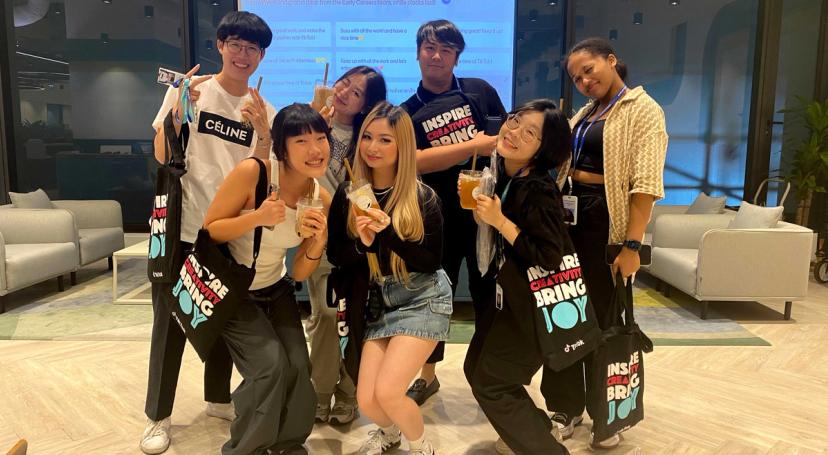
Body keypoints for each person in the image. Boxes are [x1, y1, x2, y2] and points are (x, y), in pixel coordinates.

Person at [142, 11, 275, 455]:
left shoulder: (263, 109)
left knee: (218, 316)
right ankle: (158, 417)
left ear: (261, 56)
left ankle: (218, 398)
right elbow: (163, 154)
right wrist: (180, 109)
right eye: (235, 44)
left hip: (226, 234)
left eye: (253, 48)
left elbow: (262, 172)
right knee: (171, 325)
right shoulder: (190, 90)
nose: (243, 54)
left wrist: (263, 134)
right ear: (220, 45)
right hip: (182, 228)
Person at [542, 37, 667, 449]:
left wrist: (631, 246)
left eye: (589, 69)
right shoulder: (586, 112)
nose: (583, 80)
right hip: (569, 224)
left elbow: (645, 185)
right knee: (564, 313)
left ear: (611, 61)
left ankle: (605, 414)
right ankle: (565, 406)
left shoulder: (643, 110)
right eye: (576, 77)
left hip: (604, 227)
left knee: (600, 322)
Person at [203, 103, 330, 454]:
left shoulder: (317, 196)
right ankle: (245, 449)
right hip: (234, 291)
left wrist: (317, 243)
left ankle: (288, 444)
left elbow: (298, 272)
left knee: (298, 367)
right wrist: (256, 217)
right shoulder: (254, 173)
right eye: (301, 140)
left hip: (276, 290)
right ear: (282, 148)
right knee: (269, 368)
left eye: (321, 138)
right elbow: (210, 230)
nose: (315, 149)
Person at [327, 102, 450, 455]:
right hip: (379, 300)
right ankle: (390, 433)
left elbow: (430, 261)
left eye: (385, 140)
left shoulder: (422, 197)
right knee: (367, 399)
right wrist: (362, 244)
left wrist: (386, 236)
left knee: (389, 392)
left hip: (423, 296)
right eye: (367, 137)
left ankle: (421, 445)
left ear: (403, 148)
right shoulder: (349, 194)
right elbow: (337, 255)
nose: (372, 147)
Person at [400, 18, 507, 406]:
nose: (437, 56)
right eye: (429, 48)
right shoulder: (407, 112)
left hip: (484, 218)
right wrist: (470, 147)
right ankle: (427, 377)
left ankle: (489, 375)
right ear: (417, 54)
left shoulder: (480, 91)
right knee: (434, 303)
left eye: (446, 49)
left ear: (456, 56)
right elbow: (410, 163)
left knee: (487, 299)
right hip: (435, 222)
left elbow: (505, 141)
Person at [463, 99, 572, 455]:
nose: (514, 133)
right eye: (514, 121)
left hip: (531, 307)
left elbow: (550, 256)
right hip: (507, 299)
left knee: (491, 382)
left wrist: (500, 222)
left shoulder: (538, 188)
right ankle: (536, 429)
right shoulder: (505, 173)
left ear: (544, 149)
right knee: (475, 365)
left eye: (530, 133)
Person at [305, 66, 387, 425]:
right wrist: (311, 124)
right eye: (344, 83)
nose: (344, 93)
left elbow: (369, 193)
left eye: (356, 93)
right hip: (318, 236)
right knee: (324, 317)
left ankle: (349, 391)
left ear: (366, 105)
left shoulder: (368, 140)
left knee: (356, 319)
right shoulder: (310, 124)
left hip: (357, 242)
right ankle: (320, 389)